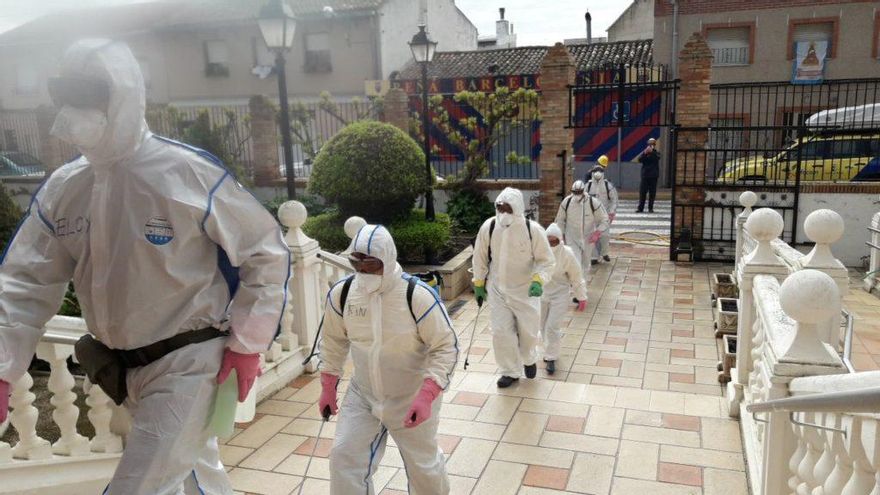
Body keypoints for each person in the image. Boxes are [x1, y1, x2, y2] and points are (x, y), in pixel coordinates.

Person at [0, 40, 290, 494]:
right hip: (124, 370)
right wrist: (3, 368)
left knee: (140, 487)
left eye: (91, 94)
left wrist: (248, 342)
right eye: (68, 95)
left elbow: (264, 252)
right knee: (194, 476)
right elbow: (24, 282)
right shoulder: (65, 188)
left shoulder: (187, 173)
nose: (78, 110)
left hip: (191, 362)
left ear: (124, 93)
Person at [318, 224, 458, 494]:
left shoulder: (416, 296)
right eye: (356, 262)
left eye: (371, 263)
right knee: (344, 458)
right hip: (364, 393)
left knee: (424, 469)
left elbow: (446, 345)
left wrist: (428, 394)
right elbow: (333, 340)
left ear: (388, 258)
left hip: (411, 395)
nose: (363, 271)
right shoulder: (343, 294)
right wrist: (328, 383)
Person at [472, 187, 555, 388]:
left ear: (517, 208)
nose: (503, 212)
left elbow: (546, 261)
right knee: (501, 332)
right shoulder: (489, 227)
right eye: (499, 207)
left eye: (507, 208)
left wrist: (538, 280)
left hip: (525, 291)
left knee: (528, 332)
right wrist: (479, 282)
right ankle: (510, 371)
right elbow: (480, 256)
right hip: (498, 290)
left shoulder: (532, 230)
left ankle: (528, 358)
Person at [540, 223, 588, 375]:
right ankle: (546, 350)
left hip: (560, 294)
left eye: (554, 241)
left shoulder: (567, 253)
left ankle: (551, 357)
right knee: (541, 325)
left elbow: (576, 276)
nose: (551, 244)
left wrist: (581, 296)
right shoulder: (539, 251)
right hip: (540, 292)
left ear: (560, 240)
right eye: (548, 241)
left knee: (552, 326)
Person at [554, 180, 610, 279]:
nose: (577, 195)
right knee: (575, 261)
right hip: (572, 236)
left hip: (588, 237)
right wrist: (560, 234)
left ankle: (581, 285)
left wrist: (597, 232)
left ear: (583, 191)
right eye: (575, 192)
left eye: (579, 192)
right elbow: (560, 220)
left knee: (585, 263)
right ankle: (575, 285)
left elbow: (604, 219)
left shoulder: (593, 203)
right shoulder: (566, 202)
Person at [586, 158, 619, 264]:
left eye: (600, 171)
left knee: (605, 235)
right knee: (591, 236)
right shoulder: (588, 186)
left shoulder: (607, 185)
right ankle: (594, 257)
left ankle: (605, 253)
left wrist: (612, 211)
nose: (597, 174)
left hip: (604, 215)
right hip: (591, 215)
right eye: (595, 171)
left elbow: (614, 199)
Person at [637, 137, 661, 213]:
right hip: (645, 175)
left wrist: (652, 152)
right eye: (650, 144)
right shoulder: (645, 152)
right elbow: (639, 159)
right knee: (642, 192)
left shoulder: (656, 153)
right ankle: (640, 208)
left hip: (653, 176)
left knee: (652, 193)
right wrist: (645, 153)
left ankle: (650, 208)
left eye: (652, 144)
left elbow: (657, 158)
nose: (651, 145)